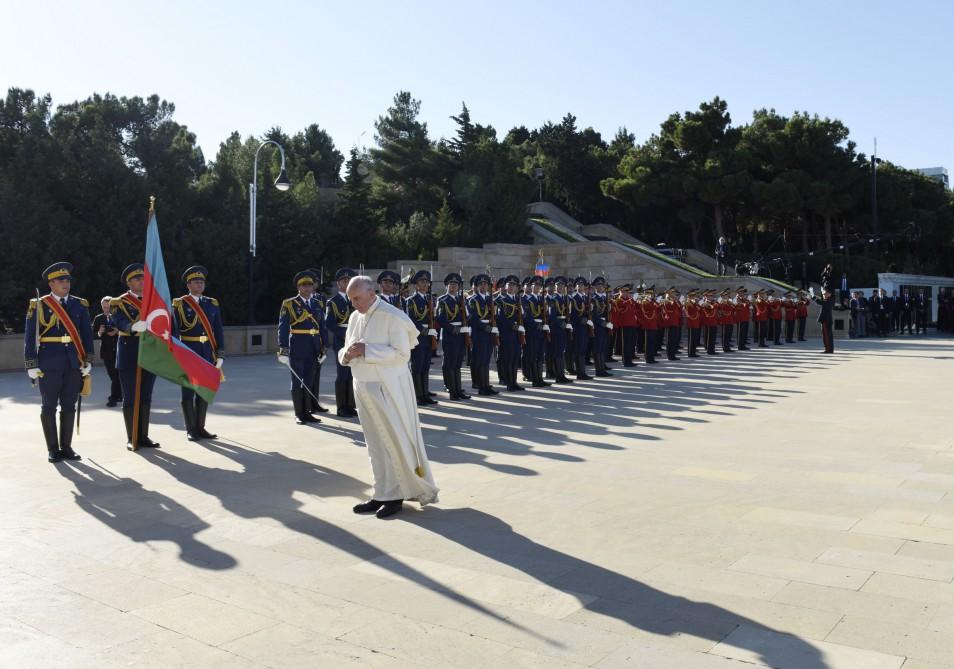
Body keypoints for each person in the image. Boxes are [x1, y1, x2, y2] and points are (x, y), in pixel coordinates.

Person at [341, 275, 439, 519]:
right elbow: (345, 348)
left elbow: (402, 354)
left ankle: (396, 496)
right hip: (362, 384)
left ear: (372, 294)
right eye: (351, 299)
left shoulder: (392, 315)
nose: (354, 304)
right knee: (374, 443)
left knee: (392, 441)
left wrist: (367, 350)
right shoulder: (355, 317)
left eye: (357, 298)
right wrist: (346, 355)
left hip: (387, 387)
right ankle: (382, 492)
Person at [24, 262, 93, 463]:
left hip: (73, 361)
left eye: (68, 280)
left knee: (69, 405)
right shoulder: (39, 304)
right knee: (49, 406)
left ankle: (67, 447)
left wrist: (87, 359)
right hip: (48, 362)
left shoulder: (79, 304)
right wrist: (31, 364)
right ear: (51, 284)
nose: (66, 283)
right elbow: (30, 336)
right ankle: (53, 449)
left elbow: (86, 335)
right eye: (61, 280)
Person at [111, 263, 160, 450]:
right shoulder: (119, 302)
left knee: (146, 397)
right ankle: (132, 437)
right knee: (130, 397)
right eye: (137, 279)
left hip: (151, 352)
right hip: (129, 352)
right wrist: (132, 327)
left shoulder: (153, 301)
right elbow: (119, 321)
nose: (141, 281)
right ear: (129, 282)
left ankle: (144, 436)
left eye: (143, 278)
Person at [172, 266, 225, 440]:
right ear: (188, 284)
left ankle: (200, 427)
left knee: (204, 391)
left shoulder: (211, 303)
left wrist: (220, 354)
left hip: (207, 352)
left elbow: (218, 330)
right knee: (188, 391)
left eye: (202, 282)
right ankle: (191, 429)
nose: (199, 284)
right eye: (196, 282)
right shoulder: (180, 304)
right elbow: (174, 331)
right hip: (189, 351)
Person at [277, 270, 324, 425]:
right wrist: (283, 349)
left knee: (309, 380)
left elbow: (321, 328)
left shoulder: (317, 303)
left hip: (313, 347)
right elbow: (283, 328)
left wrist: (323, 348)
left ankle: (307, 411)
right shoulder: (289, 304)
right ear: (298, 287)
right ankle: (299, 413)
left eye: (310, 285)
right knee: (297, 381)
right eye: (304, 285)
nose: (307, 288)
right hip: (297, 345)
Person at [326, 268, 358, 417]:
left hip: (356, 339)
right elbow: (330, 323)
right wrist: (345, 336)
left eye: (349, 280)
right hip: (342, 341)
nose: (346, 283)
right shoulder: (332, 302)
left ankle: (351, 405)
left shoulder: (357, 299)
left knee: (353, 374)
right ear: (338, 284)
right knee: (343, 374)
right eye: (343, 281)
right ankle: (341, 407)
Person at [435, 273, 471, 401]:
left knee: (458, 363)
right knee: (450, 362)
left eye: (456, 285)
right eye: (452, 284)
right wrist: (452, 328)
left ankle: (458, 388)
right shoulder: (442, 300)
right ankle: (452, 390)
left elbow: (467, 316)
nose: (454, 287)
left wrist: (466, 325)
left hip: (461, 333)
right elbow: (439, 318)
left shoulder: (461, 299)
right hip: (450, 334)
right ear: (447, 286)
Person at [405, 270, 439, 405]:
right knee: (417, 366)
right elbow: (411, 320)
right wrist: (426, 331)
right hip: (418, 337)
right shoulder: (411, 301)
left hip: (428, 336)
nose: (424, 284)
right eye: (421, 282)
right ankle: (418, 396)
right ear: (416, 285)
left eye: (426, 282)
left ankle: (425, 394)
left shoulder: (429, 299)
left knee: (425, 366)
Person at [466, 274, 499, 395]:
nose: (483, 286)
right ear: (476, 286)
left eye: (485, 284)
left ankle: (486, 384)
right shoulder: (472, 300)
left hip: (489, 332)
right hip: (479, 332)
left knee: (486, 360)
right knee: (480, 359)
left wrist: (494, 328)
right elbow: (473, 319)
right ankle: (481, 386)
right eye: (481, 284)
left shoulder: (489, 299)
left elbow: (493, 316)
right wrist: (487, 328)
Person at [92, 296, 122, 406]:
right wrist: (100, 332)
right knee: (113, 375)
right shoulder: (98, 318)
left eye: (108, 307)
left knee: (116, 374)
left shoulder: (119, 316)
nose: (106, 309)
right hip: (106, 351)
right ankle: (120, 394)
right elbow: (92, 334)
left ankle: (113, 398)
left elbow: (127, 330)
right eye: (104, 307)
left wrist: (117, 331)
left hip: (119, 350)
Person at [611, 283, 638, 366]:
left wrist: (632, 300)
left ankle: (629, 359)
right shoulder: (619, 300)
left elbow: (635, 308)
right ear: (621, 292)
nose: (627, 293)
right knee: (626, 344)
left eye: (628, 292)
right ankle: (626, 361)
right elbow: (620, 310)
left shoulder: (629, 300)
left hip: (631, 323)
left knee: (630, 343)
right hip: (624, 324)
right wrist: (630, 300)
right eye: (625, 292)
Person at [816, 287, 835, 353]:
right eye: (823, 294)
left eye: (825, 294)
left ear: (829, 294)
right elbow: (822, 301)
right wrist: (822, 291)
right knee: (827, 335)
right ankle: (829, 349)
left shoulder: (828, 300)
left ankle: (828, 349)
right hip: (826, 320)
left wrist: (812, 296)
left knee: (826, 336)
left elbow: (820, 302)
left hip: (825, 320)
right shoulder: (829, 299)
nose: (823, 295)